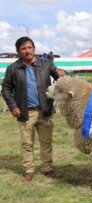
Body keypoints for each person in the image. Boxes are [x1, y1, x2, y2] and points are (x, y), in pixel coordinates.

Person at [1, 36, 66, 182]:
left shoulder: (46, 64)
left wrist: (62, 73)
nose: (27, 51)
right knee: (27, 143)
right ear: (18, 51)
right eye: (23, 48)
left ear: (34, 48)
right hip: (25, 112)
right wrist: (13, 106)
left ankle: (47, 168)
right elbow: (5, 89)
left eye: (29, 47)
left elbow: (58, 74)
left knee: (46, 141)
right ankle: (29, 170)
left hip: (45, 110)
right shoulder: (13, 68)